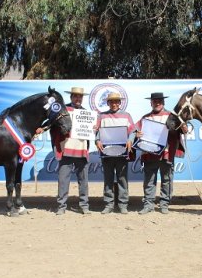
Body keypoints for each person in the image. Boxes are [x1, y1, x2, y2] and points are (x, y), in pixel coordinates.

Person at [135, 92, 187, 214]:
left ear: (163, 102)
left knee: (167, 179)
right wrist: (137, 134)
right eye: (155, 101)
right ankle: (148, 204)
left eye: (159, 101)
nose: (157, 103)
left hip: (166, 153)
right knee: (149, 180)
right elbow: (135, 130)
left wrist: (184, 128)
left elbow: (182, 130)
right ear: (151, 103)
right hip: (149, 153)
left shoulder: (172, 116)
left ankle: (164, 204)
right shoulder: (145, 118)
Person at [48, 87, 92, 215]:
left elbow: (91, 132)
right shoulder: (63, 109)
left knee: (83, 181)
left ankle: (84, 205)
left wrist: (93, 128)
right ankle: (61, 206)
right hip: (65, 150)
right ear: (71, 97)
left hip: (81, 150)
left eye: (80, 97)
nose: (78, 99)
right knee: (63, 180)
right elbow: (52, 123)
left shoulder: (87, 114)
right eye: (75, 96)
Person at [94, 92, 136, 214]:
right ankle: (108, 204)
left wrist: (130, 139)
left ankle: (123, 204)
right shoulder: (101, 116)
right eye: (111, 101)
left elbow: (132, 130)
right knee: (108, 179)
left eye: (116, 101)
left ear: (120, 103)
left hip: (122, 152)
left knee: (122, 179)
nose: (114, 104)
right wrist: (97, 140)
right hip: (106, 152)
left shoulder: (126, 115)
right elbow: (97, 131)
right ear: (108, 103)